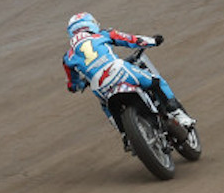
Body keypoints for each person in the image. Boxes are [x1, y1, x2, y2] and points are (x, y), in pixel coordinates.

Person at [62, 13, 194, 128]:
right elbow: (131, 39)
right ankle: (178, 114)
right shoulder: (103, 34)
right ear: (92, 24)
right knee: (156, 82)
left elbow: (73, 85)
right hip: (120, 70)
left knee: (105, 106)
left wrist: (80, 84)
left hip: (99, 85)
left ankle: (126, 136)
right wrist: (153, 41)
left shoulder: (68, 56)